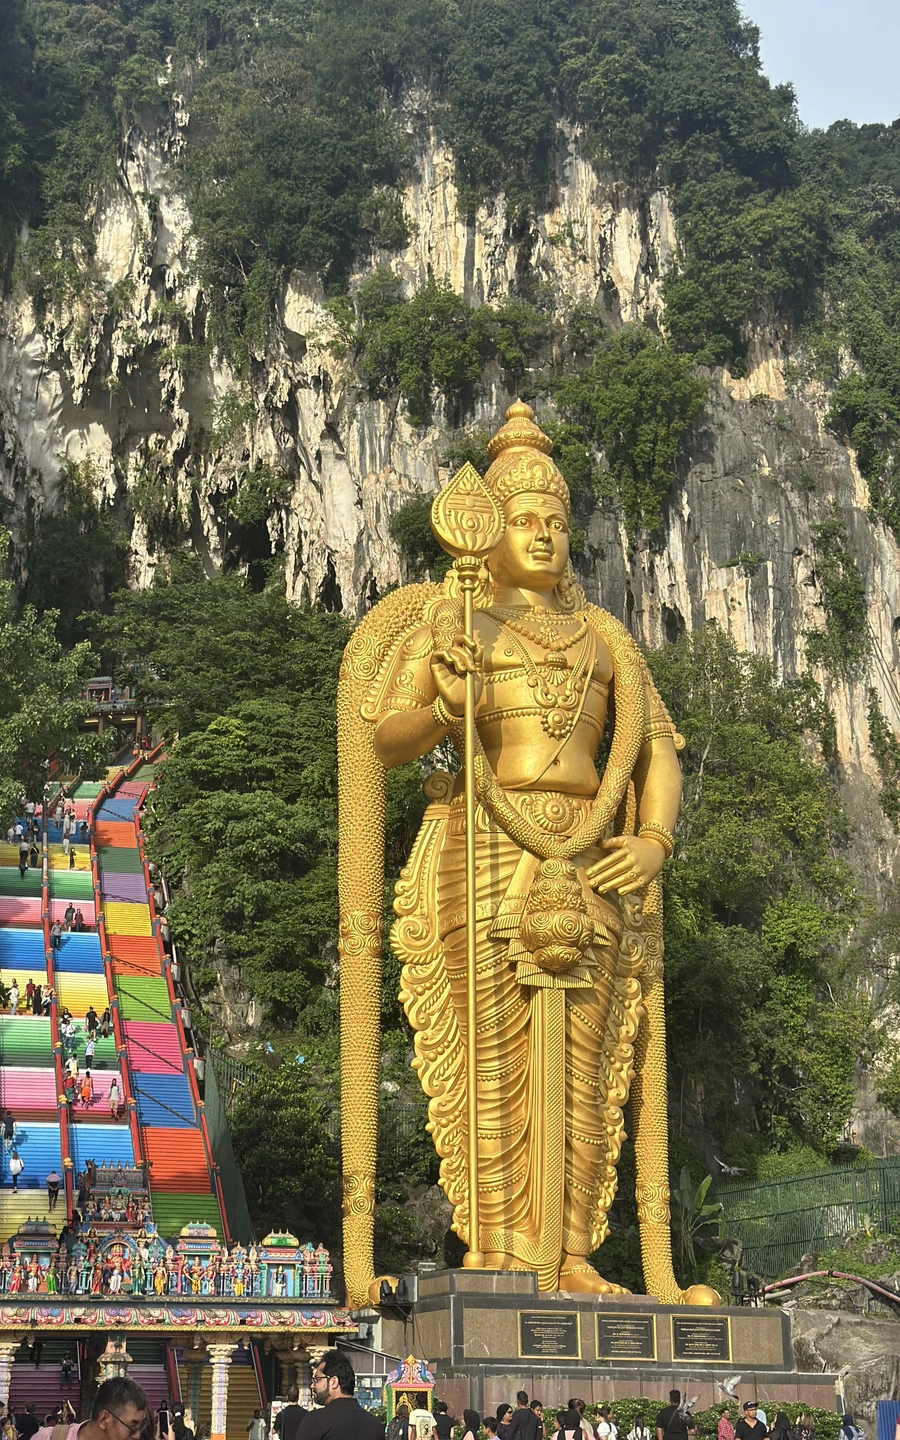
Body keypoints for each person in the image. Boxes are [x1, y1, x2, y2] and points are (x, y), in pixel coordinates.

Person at [339, 402, 704, 1298]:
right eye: (524, 521)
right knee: (489, 1054)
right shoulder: (454, 624)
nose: (542, 536)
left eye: (556, 522)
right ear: (486, 531)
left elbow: (657, 749)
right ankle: (501, 1250)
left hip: (591, 854)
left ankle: (574, 1253)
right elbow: (380, 738)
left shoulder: (607, 639)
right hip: (485, 844)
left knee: (586, 1057)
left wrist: (653, 839)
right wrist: (445, 709)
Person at [294, 1351, 381, 1440]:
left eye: (317, 1379)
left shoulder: (316, 1420)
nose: (312, 1385)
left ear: (334, 1382)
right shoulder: (374, 1424)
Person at [27, 1376, 147, 1440]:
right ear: (104, 1419)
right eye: (132, 1427)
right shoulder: (48, 1437)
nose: (137, 1436)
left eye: (139, 1428)